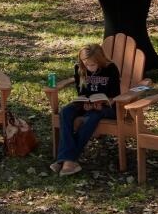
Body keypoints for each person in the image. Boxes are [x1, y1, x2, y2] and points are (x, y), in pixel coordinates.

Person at [52, 44, 121, 176]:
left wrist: (102, 103)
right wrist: (83, 103)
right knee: (65, 112)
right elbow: (81, 93)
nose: (89, 67)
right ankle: (69, 161)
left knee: (92, 116)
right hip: (87, 104)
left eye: (93, 64)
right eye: (86, 63)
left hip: (107, 108)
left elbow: (115, 96)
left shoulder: (110, 69)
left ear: (100, 60)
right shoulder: (80, 68)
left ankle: (65, 160)